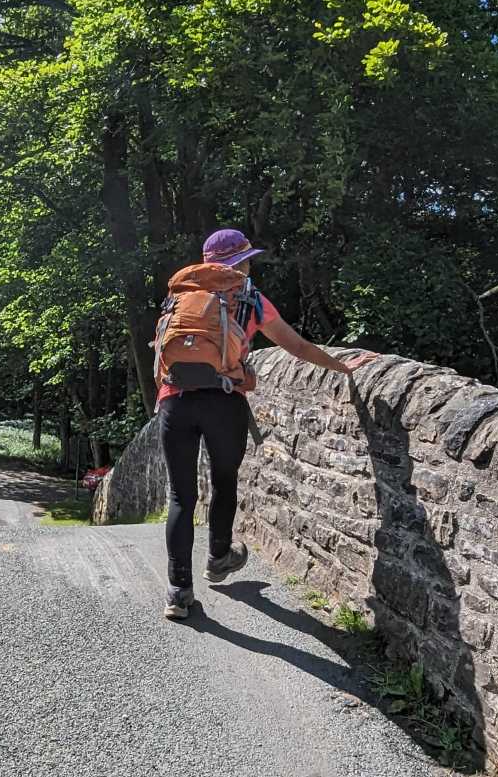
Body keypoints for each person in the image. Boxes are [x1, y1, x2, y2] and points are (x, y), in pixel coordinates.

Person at [156, 228, 379, 619]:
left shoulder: (179, 295)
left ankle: (178, 591)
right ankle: (219, 557)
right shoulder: (249, 298)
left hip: (175, 402)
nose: (250, 264)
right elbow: (295, 346)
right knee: (224, 482)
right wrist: (342, 366)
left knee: (180, 497)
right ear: (238, 261)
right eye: (247, 258)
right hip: (225, 401)